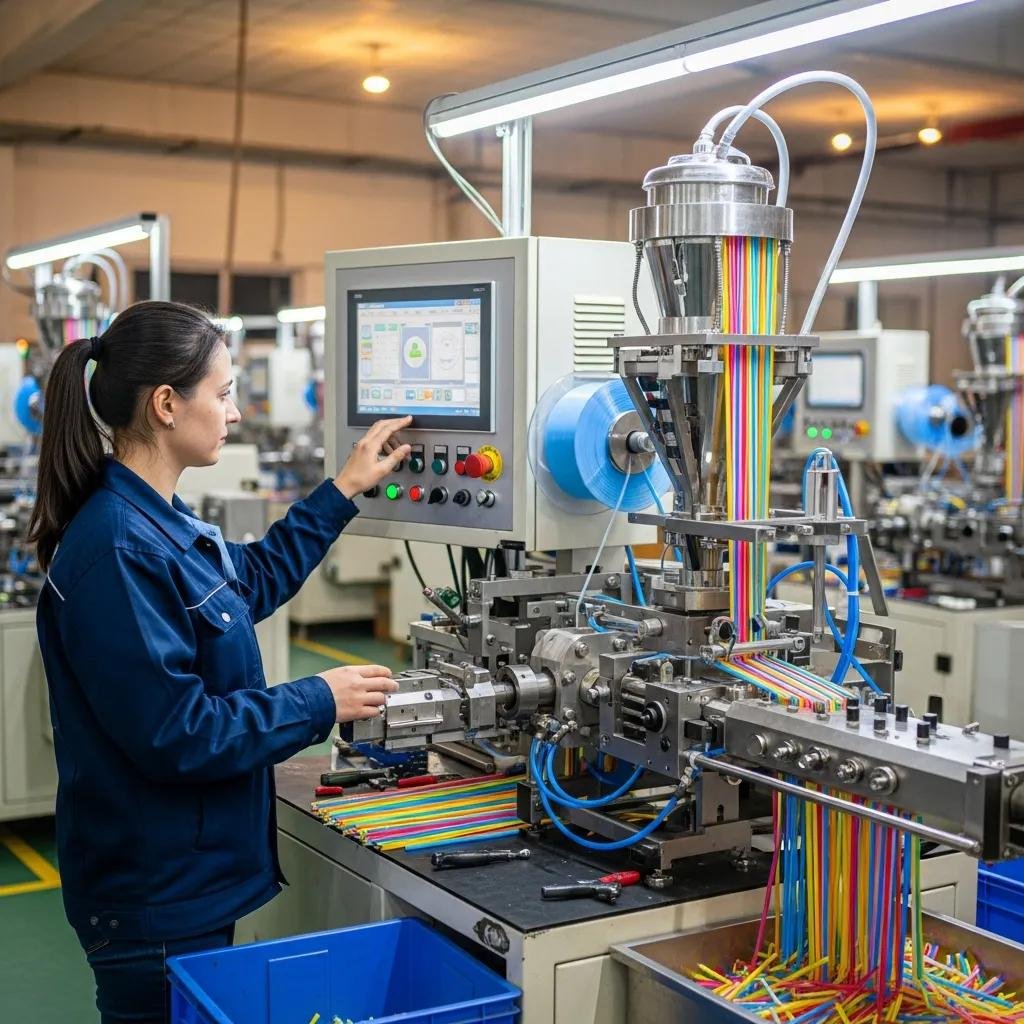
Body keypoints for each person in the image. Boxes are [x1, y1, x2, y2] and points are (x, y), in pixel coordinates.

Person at [28, 300, 412, 1023]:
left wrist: (344, 489)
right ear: (167, 404)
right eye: (225, 392)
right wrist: (317, 700)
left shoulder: (160, 520)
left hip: (186, 879)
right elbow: (182, 733)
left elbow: (255, 578)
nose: (236, 413)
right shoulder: (118, 550)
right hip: (155, 897)